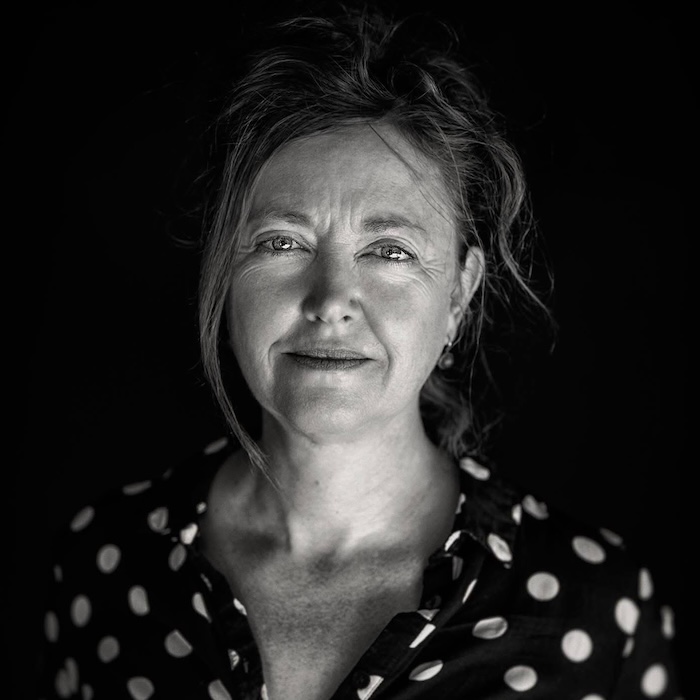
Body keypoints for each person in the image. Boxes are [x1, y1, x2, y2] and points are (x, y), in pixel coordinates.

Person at [36, 5, 681, 699]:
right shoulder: (106, 566)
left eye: (390, 251)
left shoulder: (593, 608)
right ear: (223, 273)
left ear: (459, 294)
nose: (331, 299)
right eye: (282, 241)